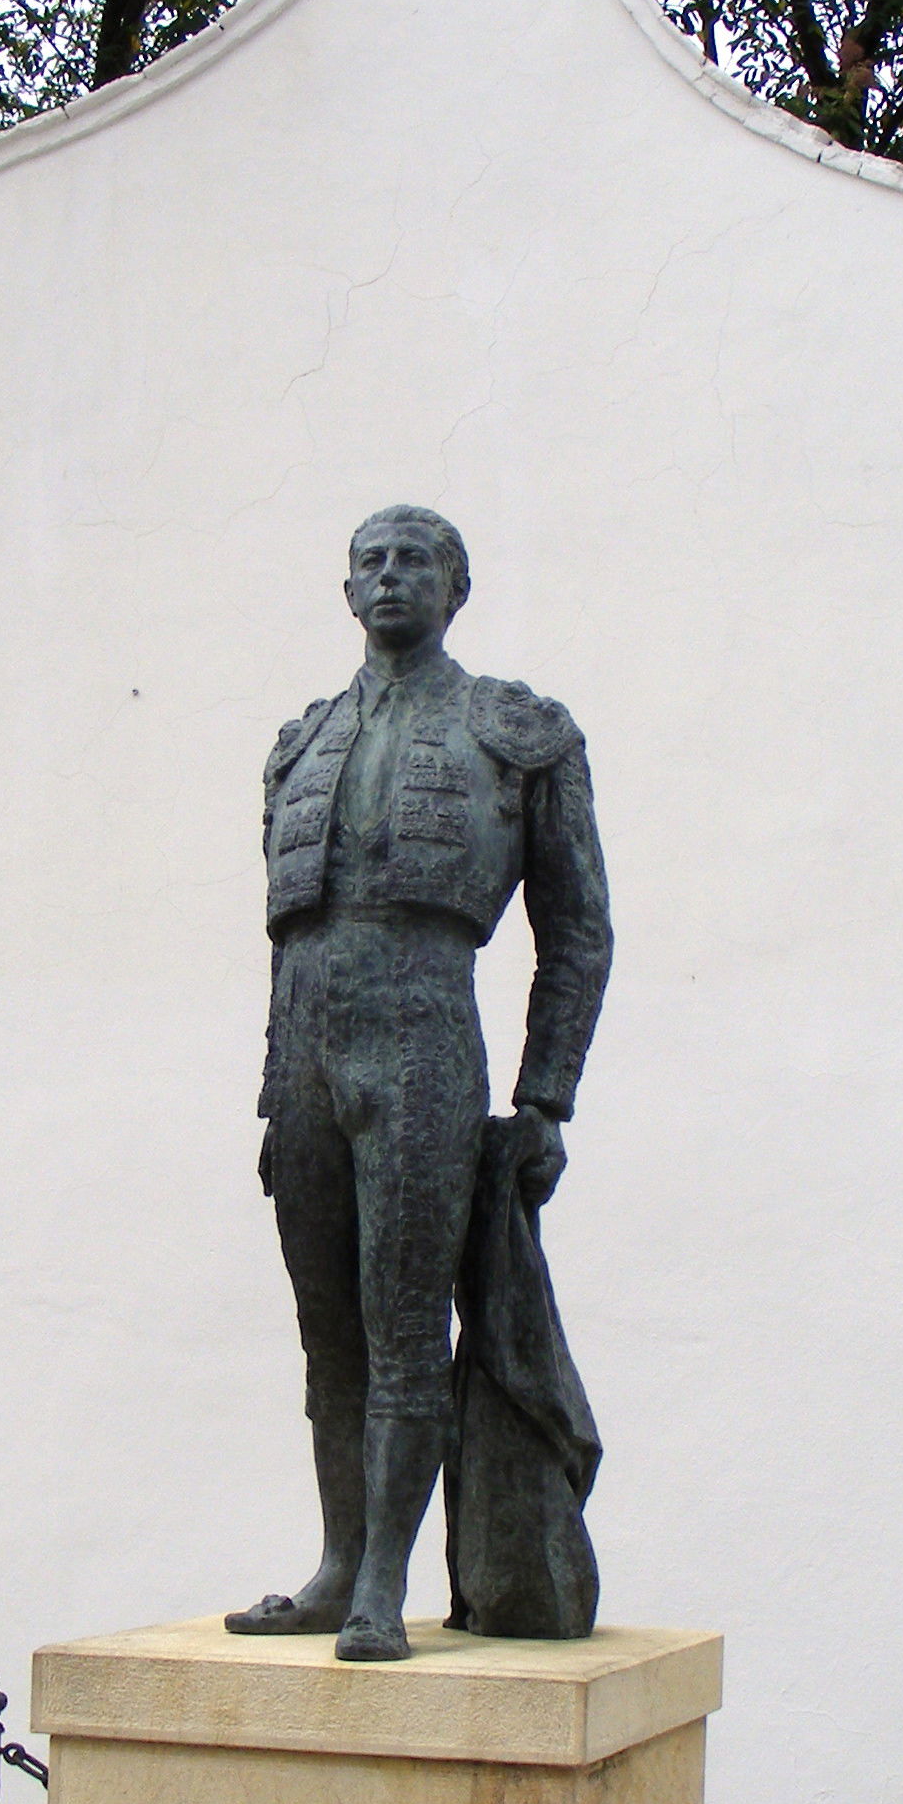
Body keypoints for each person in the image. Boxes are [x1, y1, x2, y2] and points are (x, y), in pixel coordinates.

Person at [228, 506, 612, 1661]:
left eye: (417, 563)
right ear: (347, 592)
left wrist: (547, 1097)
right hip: (306, 1034)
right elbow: (285, 937)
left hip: (424, 1023)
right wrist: (271, 1083)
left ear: (458, 589)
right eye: (372, 563)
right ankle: (340, 1558)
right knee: (326, 1326)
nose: (392, 578)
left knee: (403, 1319)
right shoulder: (301, 742)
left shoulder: (516, 732)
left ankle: (385, 1584)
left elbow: (578, 928)